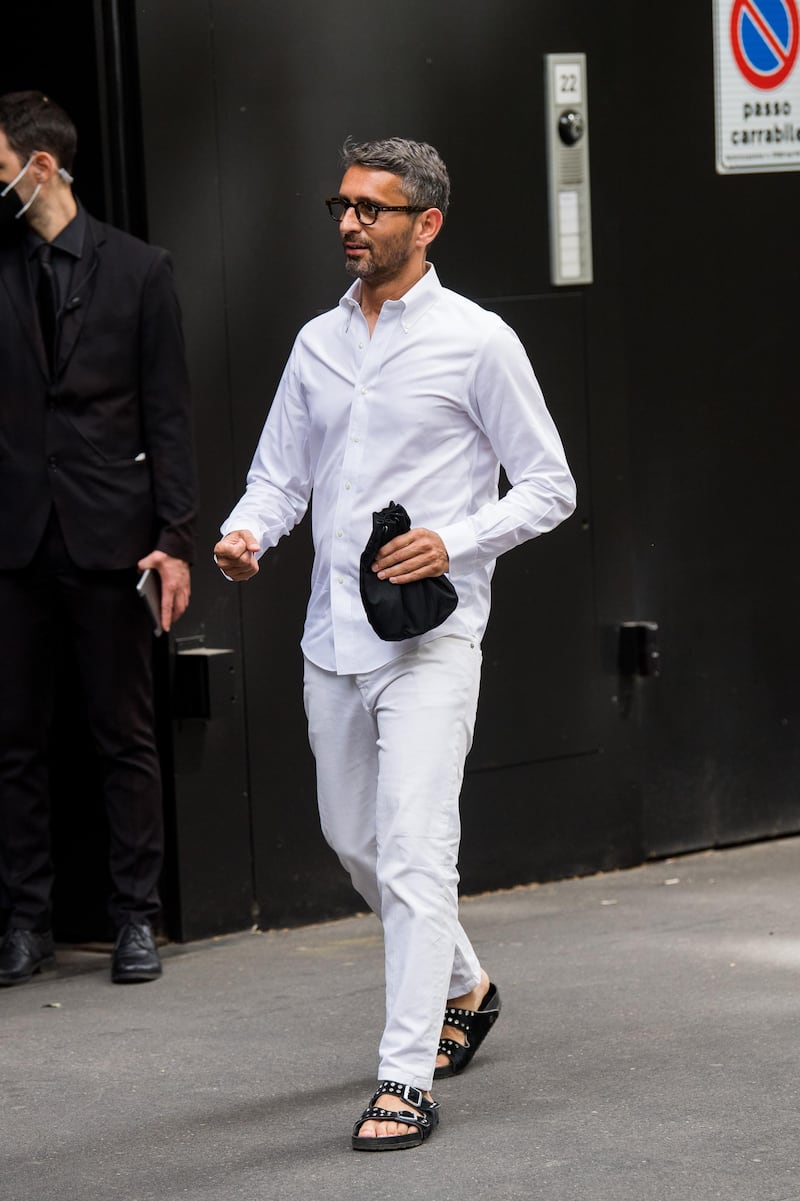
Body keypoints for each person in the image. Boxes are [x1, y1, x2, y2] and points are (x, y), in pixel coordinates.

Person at [213, 136, 575, 1150]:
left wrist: (452, 540)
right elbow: (280, 475)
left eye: (372, 208)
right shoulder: (313, 345)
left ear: (427, 223)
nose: (348, 223)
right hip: (330, 635)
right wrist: (247, 533)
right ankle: (467, 983)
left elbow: (550, 485)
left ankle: (404, 1074)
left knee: (417, 851)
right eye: (341, 205)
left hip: (431, 638)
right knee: (354, 841)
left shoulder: (477, 342)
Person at [0, 91, 197, 987]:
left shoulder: (139, 270)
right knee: (13, 740)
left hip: (111, 536)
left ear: (41, 165)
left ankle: (135, 918)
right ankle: (26, 921)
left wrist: (177, 536)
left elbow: (170, 412)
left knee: (125, 733)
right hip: (13, 539)